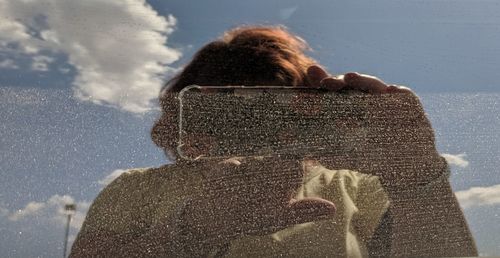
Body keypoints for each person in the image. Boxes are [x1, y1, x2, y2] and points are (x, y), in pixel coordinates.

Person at [70, 26, 477, 257]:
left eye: (276, 109)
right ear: (191, 118)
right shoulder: (138, 187)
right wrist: (197, 227)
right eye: (236, 112)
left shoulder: (360, 186)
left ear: (310, 112)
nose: (260, 133)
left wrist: (417, 175)